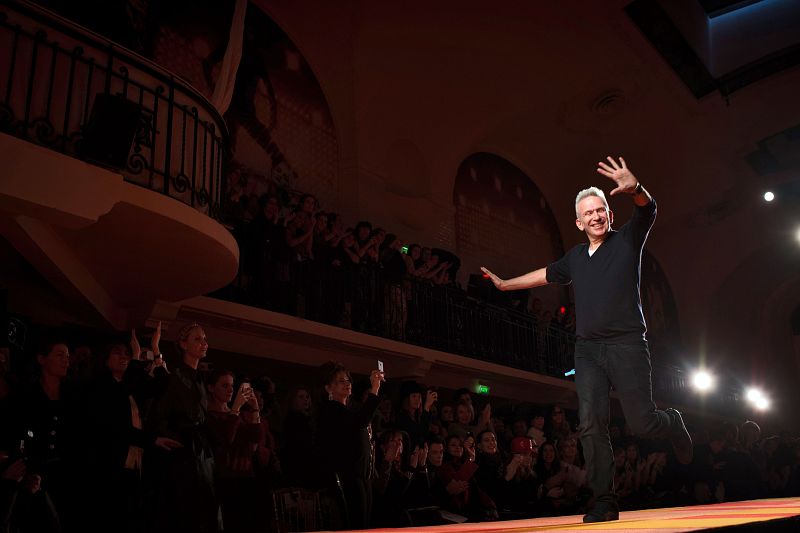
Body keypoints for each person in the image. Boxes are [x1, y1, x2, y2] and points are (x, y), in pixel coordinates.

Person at [481, 156, 692, 523]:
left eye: (601, 210)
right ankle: (604, 501)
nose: (595, 216)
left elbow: (648, 210)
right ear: (579, 223)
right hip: (588, 351)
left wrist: (636, 188)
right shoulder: (576, 257)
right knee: (592, 423)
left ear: (610, 213)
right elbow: (545, 275)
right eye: (588, 213)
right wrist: (504, 284)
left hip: (627, 344)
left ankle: (672, 421)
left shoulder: (627, 239)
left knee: (642, 424)